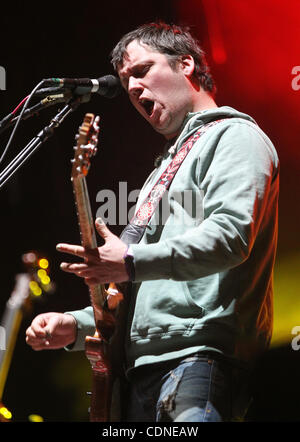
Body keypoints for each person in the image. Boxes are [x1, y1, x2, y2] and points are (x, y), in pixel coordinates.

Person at [26, 21, 279, 422]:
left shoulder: (235, 137)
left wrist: (127, 260)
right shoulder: (161, 171)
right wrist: (74, 325)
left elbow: (231, 237)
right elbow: (149, 289)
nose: (132, 88)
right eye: (127, 81)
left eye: (142, 70)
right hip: (138, 373)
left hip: (200, 361)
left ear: (186, 65)